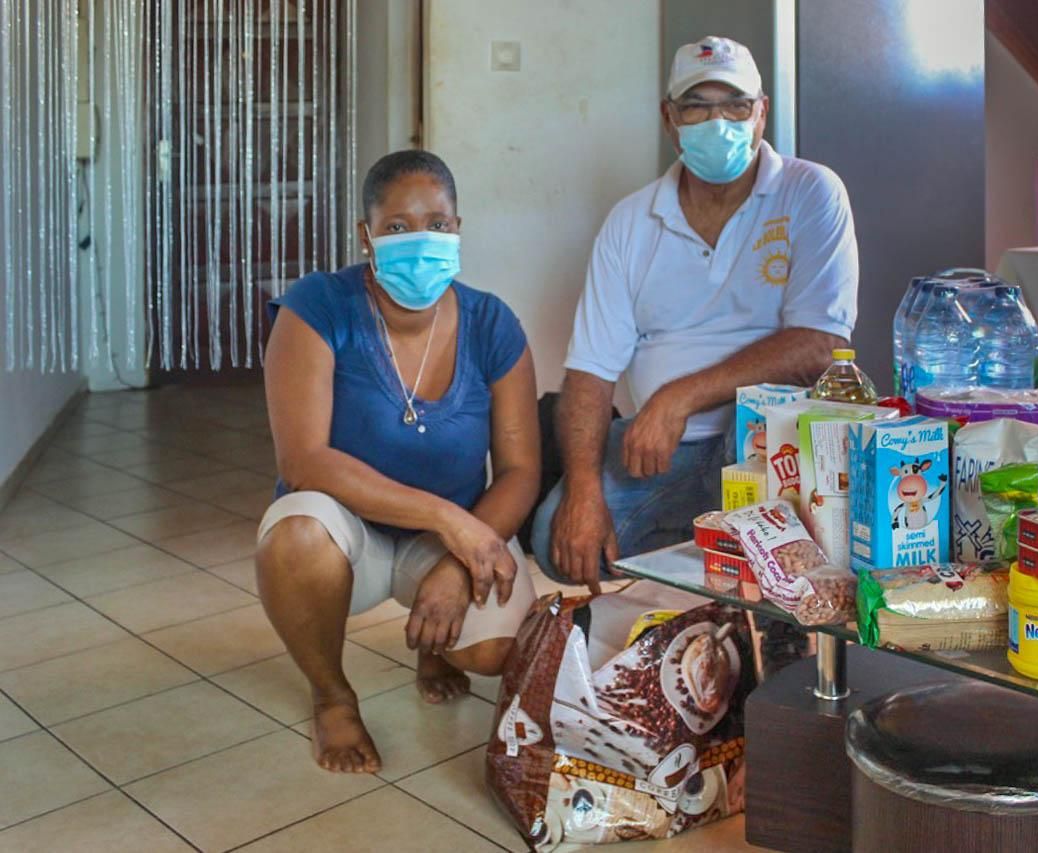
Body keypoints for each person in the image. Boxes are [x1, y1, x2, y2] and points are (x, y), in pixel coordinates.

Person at [532, 36, 859, 590]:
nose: (718, 122)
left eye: (735, 105)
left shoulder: (810, 192)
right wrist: (584, 494)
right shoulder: (631, 222)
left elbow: (819, 345)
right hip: (664, 450)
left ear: (762, 111)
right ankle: (720, 550)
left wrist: (678, 396)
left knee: (756, 482)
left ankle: (734, 559)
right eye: (697, 107)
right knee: (555, 544)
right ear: (669, 118)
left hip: (763, 436)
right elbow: (590, 372)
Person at [257, 149, 538, 774]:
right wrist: (451, 523)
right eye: (398, 227)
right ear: (367, 235)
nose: (421, 240)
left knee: (497, 650)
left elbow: (520, 470)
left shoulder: (492, 323)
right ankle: (332, 695)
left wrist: (460, 563)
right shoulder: (319, 307)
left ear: (459, 229)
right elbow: (303, 461)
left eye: (438, 224)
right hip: (346, 536)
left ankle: (435, 645)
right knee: (295, 533)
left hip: (444, 541)